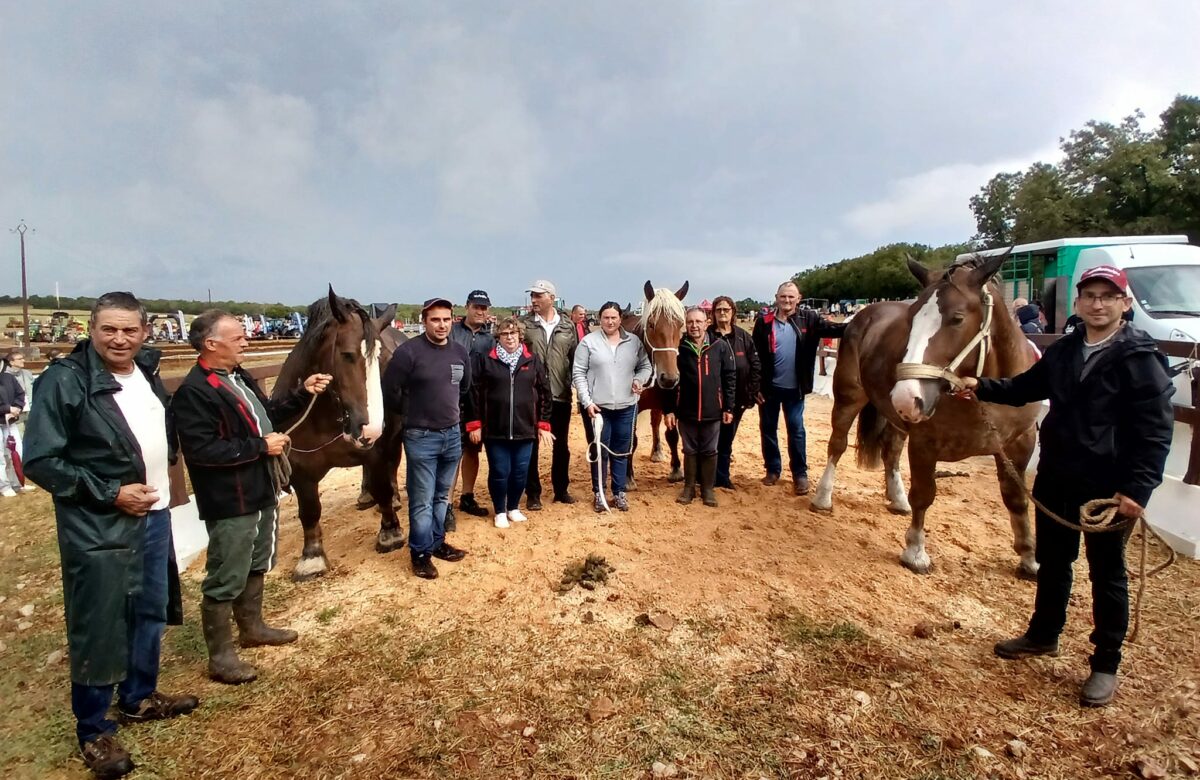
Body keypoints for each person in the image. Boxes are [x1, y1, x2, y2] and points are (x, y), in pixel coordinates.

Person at [957, 265, 1174, 707]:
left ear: (1124, 305)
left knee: (1107, 573)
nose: (1098, 303)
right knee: (1054, 562)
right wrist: (982, 386)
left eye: (1108, 297)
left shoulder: (1140, 357)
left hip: (1107, 487)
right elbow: (1025, 387)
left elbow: (1155, 430)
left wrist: (1138, 490)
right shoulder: (1066, 349)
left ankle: (1105, 663)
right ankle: (1043, 634)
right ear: (1077, 303)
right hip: (1057, 473)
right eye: (1090, 295)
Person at [23, 292, 198, 780]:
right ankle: (94, 727)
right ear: (91, 331)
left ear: (145, 331)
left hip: (154, 515)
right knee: (100, 620)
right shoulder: (65, 380)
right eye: (108, 330)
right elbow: (41, 459)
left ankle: (139, 697)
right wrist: (109, 492)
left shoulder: (145, 370)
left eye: (129, 330)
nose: (119, 339)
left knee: (149, 609)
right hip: (99, 522)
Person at [171, 310, 330, 684]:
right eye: (238, 337)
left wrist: (301, 393)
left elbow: (268, 414)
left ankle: (253, 627)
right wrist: (261, 447)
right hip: (230, 497)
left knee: (257, 559)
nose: (246, 341)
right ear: (211, 344)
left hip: (259, 488)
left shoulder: (237, 377)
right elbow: (203, 450)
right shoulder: (195, 392)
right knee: (227, 570)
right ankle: (221, 656)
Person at [384, 297, 472, 579]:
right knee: (421, 498)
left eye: (446, 319)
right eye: (435, 319)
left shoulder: (459, 352)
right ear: (424, 321)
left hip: (452, 434)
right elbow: (389, 392)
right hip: (421, 436)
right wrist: (413, 414)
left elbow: (465, 388)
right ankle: (420, 553)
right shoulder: (408, 353)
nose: (442, 325)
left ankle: (436, 543)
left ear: (452, 320)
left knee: (441, 496)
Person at [751, 280, 846, 495]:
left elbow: (833, 329)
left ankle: (800, 474)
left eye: (791, 297)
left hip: (796, 389)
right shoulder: (764, 321)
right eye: (783, 296)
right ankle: (773, 470)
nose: (786, 300)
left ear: (798, 299)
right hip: (769, 388)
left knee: (796, 430)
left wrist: (858, 324)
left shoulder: (809, 319)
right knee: (767, 430)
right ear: (776, 297)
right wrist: (755, 385)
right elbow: (755, 355)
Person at [464, 317, 553, 528]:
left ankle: (513, 507)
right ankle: (500, 510)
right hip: (496, 429)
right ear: (498, 337)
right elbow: (473, 392)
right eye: (505, 334)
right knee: (500, 472)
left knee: (520, 472)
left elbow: (545, 393)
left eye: (513, 333)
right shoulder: (486, 360)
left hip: (525, 429)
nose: (510, 337)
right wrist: (474, 423)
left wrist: (543, 424)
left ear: (520, 336)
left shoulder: (532, 360)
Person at [573, 301, 652, 512]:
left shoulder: (634, 342)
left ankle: (619, 492)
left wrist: (640, 379)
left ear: (620, 319)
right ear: (600, 319)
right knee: (600, 451)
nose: (610, 321)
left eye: (614, 318)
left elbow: (645, 365)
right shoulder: (588, 343)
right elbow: (578, 373)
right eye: (606, 317)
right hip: (598, 408)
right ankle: (599, 492)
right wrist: (586, 401)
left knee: (621, 451)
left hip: (627, 406)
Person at [664, 307, 736, 507]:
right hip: (686, 409)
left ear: (707, 322)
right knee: (689, 449)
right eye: (690, 322)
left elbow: (729, 377)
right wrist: (669, 409)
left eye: (698, 321)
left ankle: (708, 489)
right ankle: (688, 488)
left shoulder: (720, 346)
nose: (694, 326)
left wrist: (728, 407)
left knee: (710, 450)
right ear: (685, 325)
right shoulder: (679, 348)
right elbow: (670, 381)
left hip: (713, 409)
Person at [521, 280, 579, 508]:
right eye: (532, 296)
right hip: (531, 395)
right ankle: (533, 493)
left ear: (551, 298)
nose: (533, 300)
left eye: (538, 296)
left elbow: (574, 359)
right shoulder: (524, 325)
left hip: (560, 394)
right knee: (531, 445)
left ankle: (561, 489)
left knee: (561, 445)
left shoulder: (567, 326)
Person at [450, 290, 496, 520]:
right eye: (476, 306)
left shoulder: (491, 338)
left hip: (479, 402)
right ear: (467, 306)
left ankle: (467, 496)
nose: (480, 311)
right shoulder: (452, 332)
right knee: (452, 452)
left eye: (484, 308)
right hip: (452, 400)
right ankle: (446, 504)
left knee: (472, 449)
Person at [707, 295, 760, 489]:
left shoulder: (743, 337)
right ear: (713, 313)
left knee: (727, 440)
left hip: (737, 398)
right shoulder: (707, 336)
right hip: (711, 399)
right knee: (710, 440)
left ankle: (722, 477)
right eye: (719, 310)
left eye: (726, 310)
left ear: (732, 313)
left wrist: (753, 390)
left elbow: (755, 364)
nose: (722, 313)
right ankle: (705, 477)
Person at [0, 354, 30, 496]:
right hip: (3, 418)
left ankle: (18, 482)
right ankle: (4, 486)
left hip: (10, 421)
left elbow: (20, 393)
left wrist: (17, 407)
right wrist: (6, 409)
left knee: (16, 451)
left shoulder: (8, 378)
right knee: (1, 456)